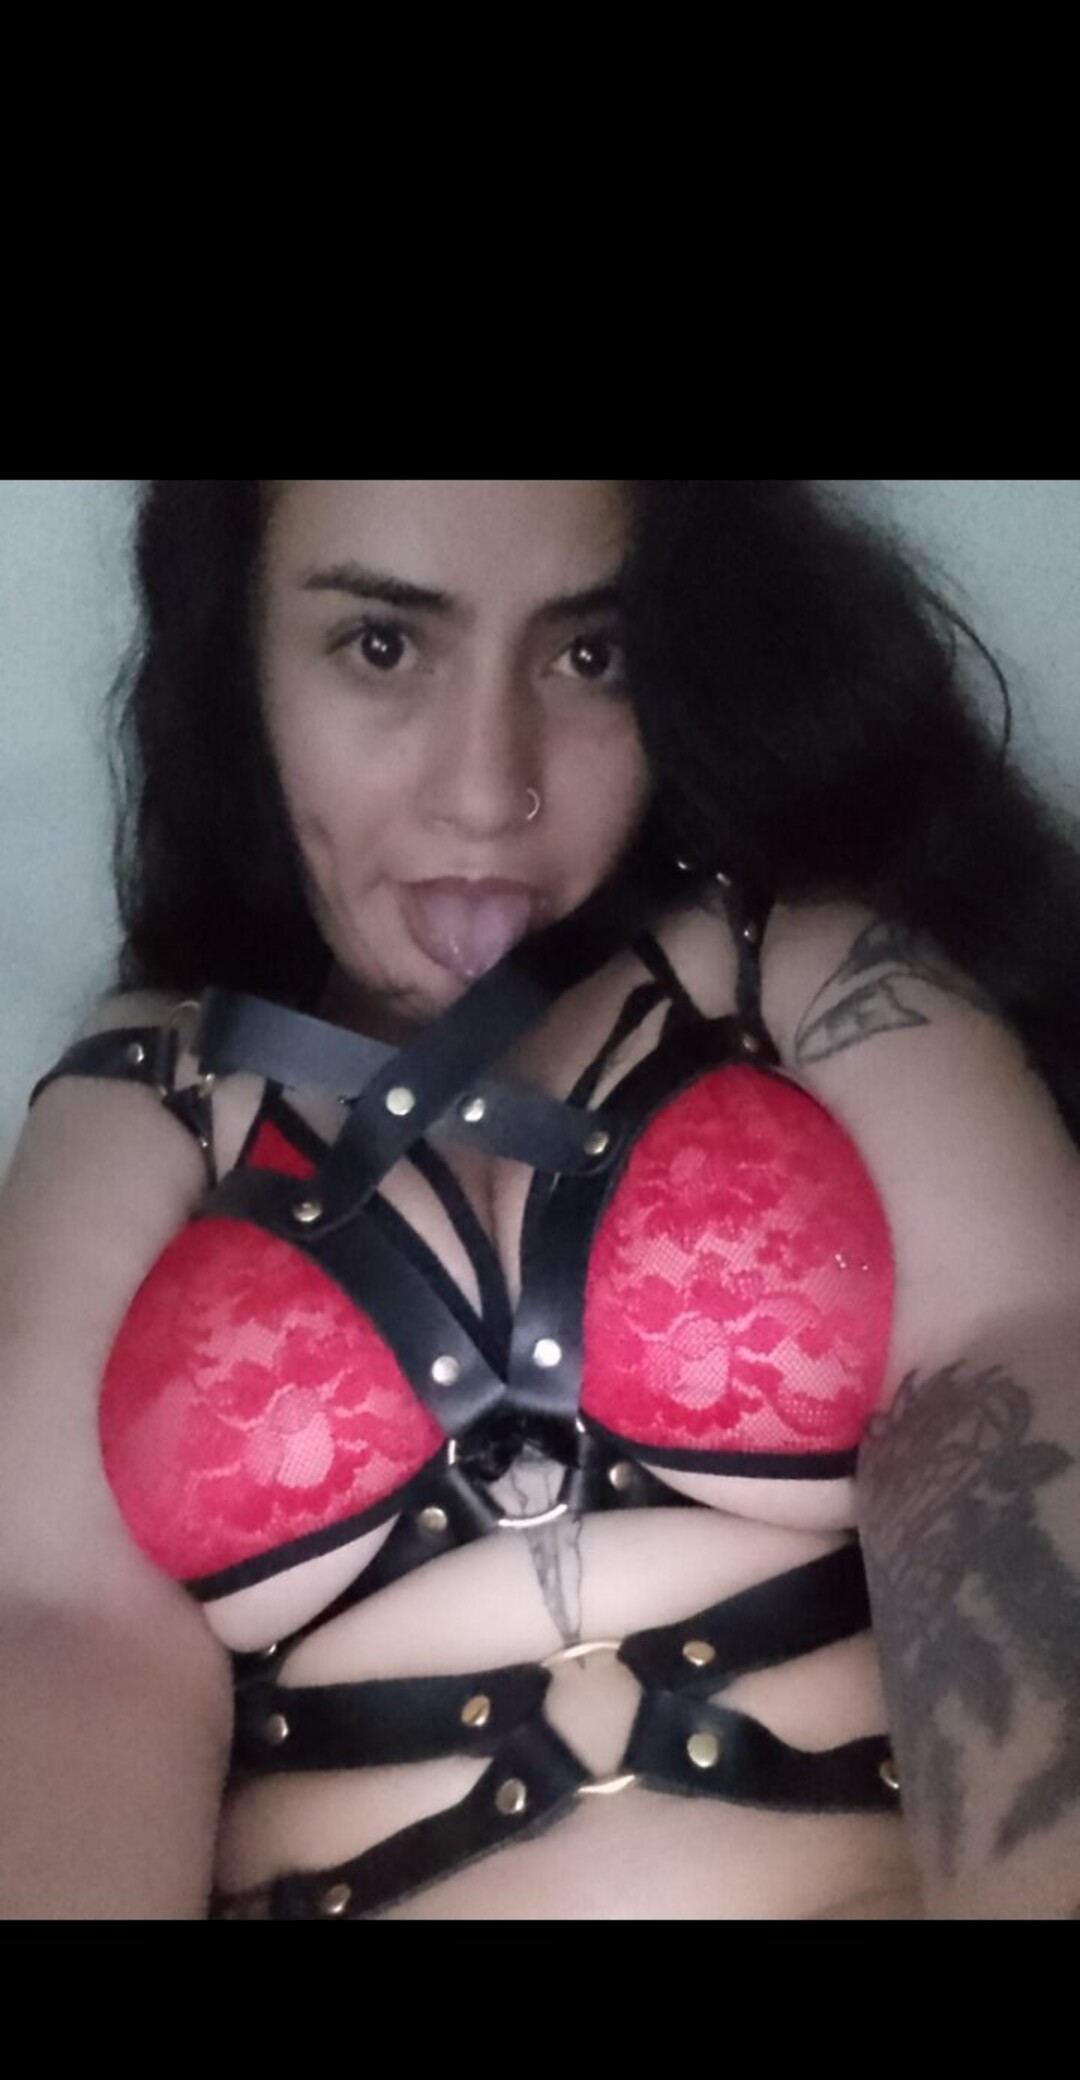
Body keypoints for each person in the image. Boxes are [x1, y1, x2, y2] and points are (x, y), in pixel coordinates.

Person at [3, 477, 1080, 1922]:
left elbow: (1027, 1385)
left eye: (589, 653)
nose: (487, 788)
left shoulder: (807, 975)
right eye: (383, 645)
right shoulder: (144, 1096)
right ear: (240, 661)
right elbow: (55, 1636)